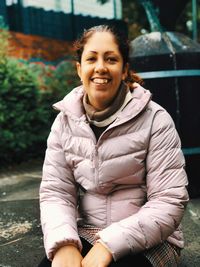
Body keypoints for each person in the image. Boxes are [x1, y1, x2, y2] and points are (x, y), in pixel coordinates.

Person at [38, 24, 189, 267]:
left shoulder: (156, 120)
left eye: (111, 59)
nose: (100, 67)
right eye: (91, 58)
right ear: (80, 69)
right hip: (88, 230)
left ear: (124, 69)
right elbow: (56, 193)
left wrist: (108, 246)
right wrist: (64, 243)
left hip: (152, 238)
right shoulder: (64, 122)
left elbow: (168, 201)